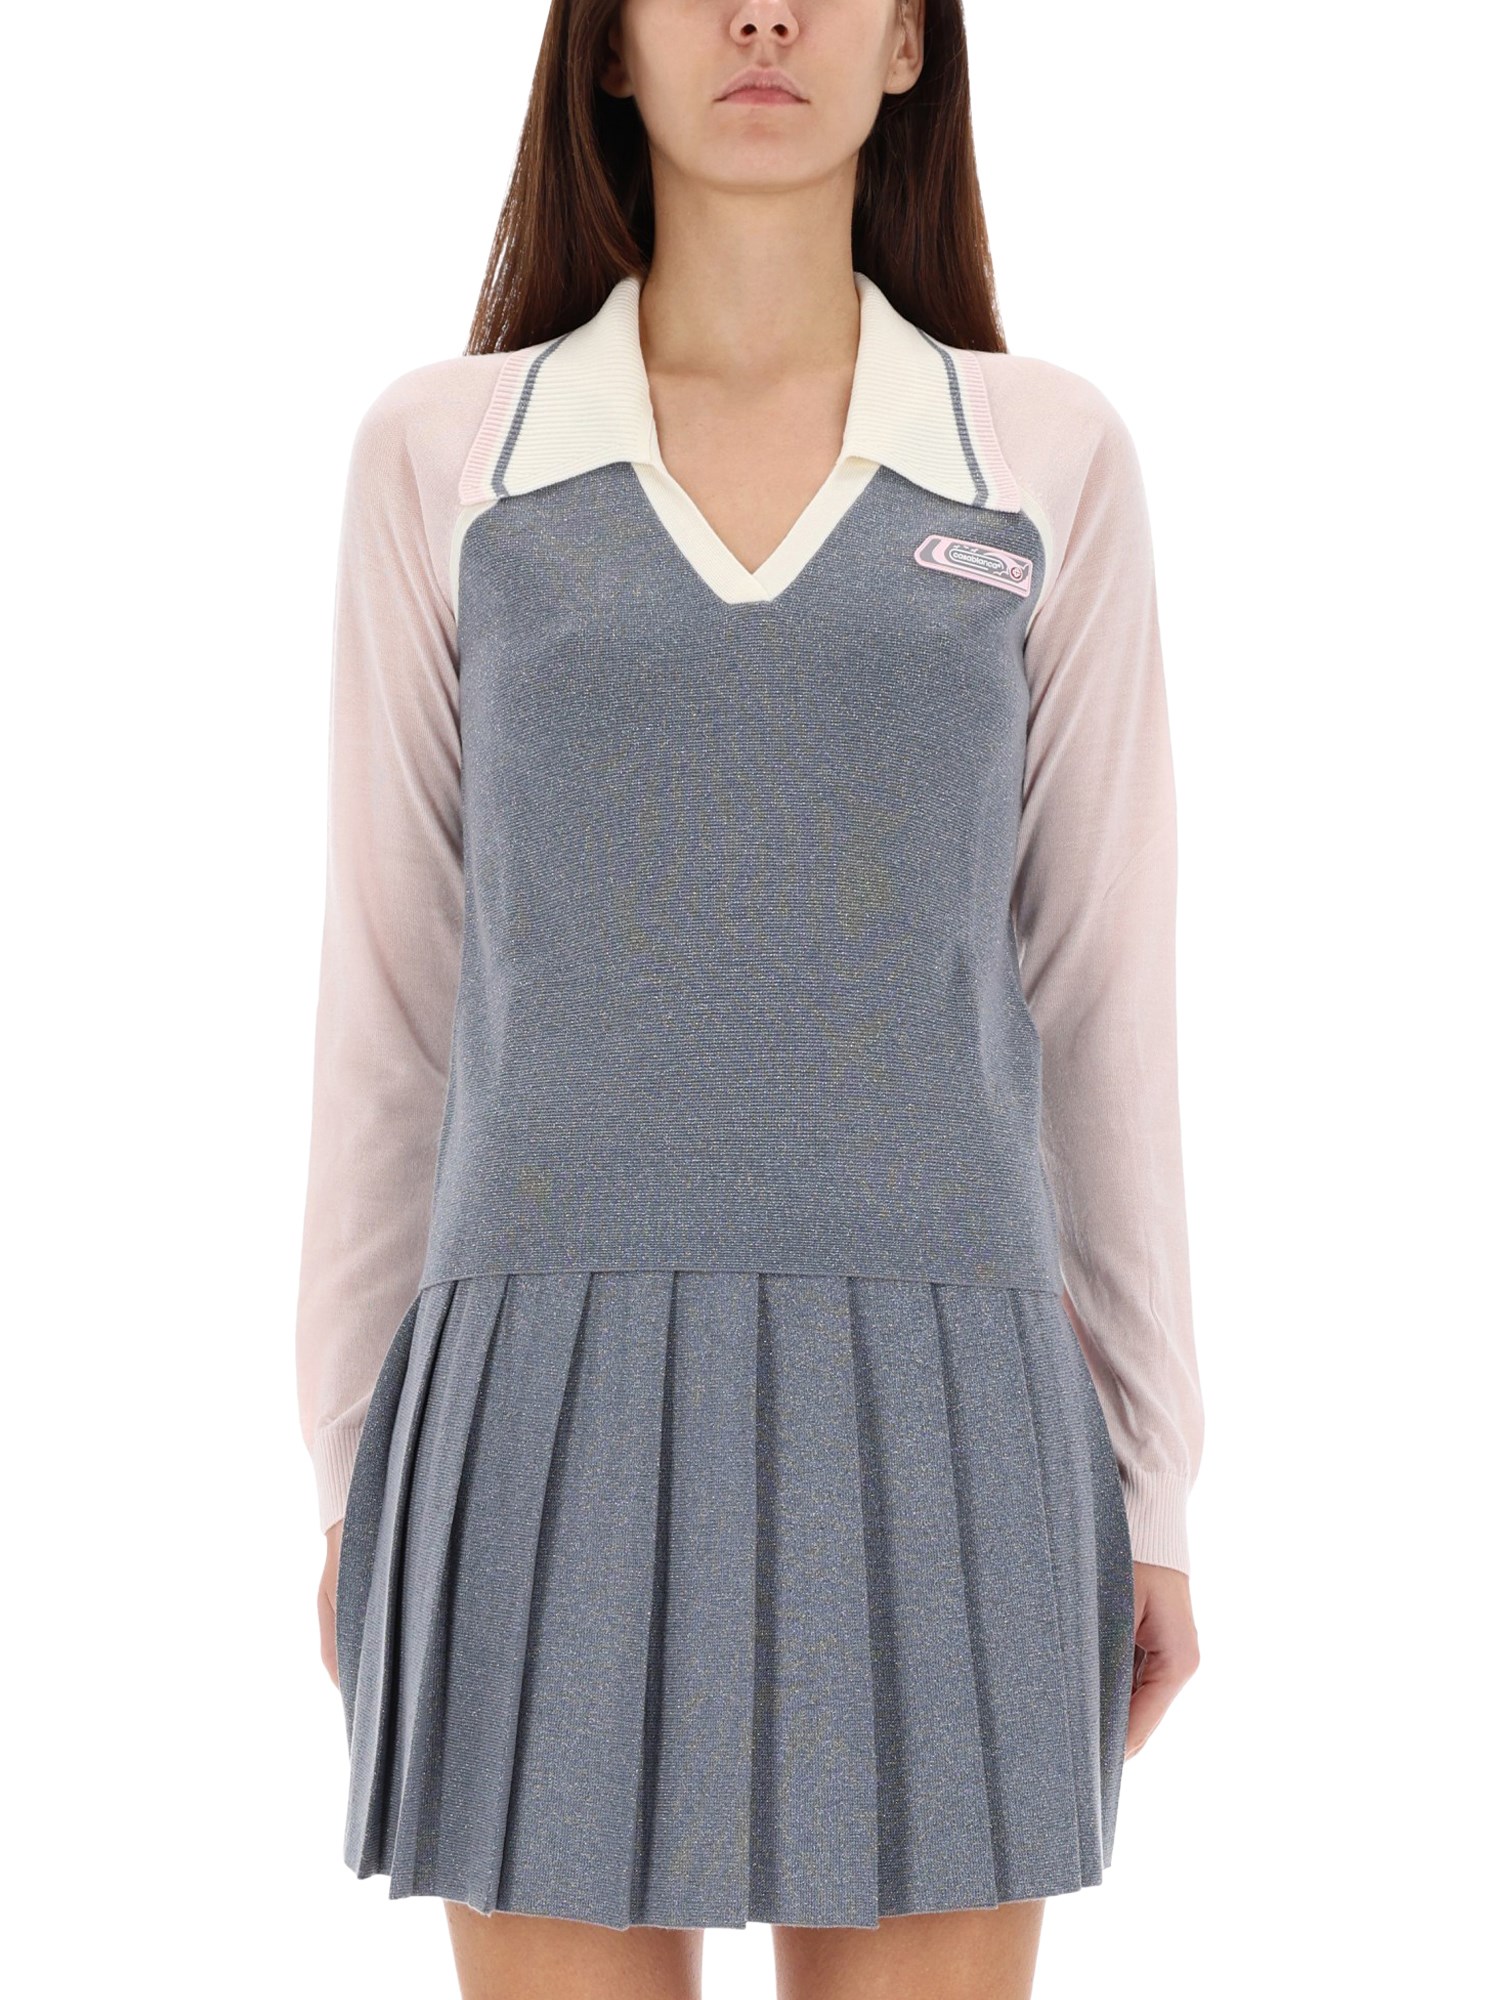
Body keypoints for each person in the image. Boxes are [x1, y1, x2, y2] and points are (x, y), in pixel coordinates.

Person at [293, 2, 1205, 1995]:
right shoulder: (444, 455)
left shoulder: (1043, 453)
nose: (764, 15)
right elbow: (392, 1000)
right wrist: (359, 1463)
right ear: (610, 49)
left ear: (909, 45)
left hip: (955, 1399)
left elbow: (1100, 992)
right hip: (532, 1400)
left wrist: (1157, 1480)